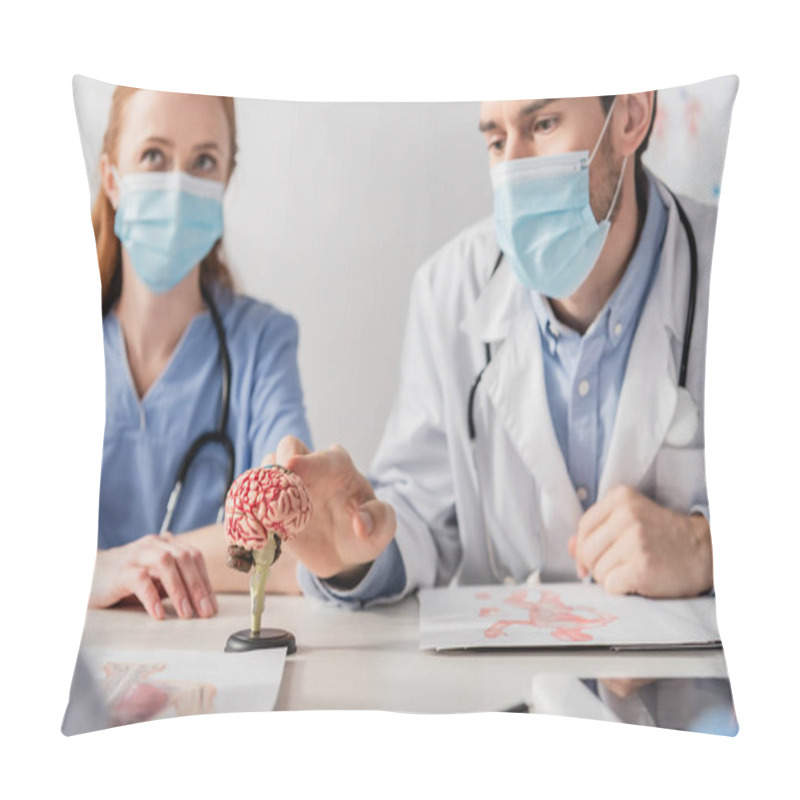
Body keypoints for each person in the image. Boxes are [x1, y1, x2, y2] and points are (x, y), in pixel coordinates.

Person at [272, 92, 734, 727]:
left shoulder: (753, 269)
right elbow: (422, 516)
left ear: (630, 117)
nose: (513, 168)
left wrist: (711, 549)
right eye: (495, 140)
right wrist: (358, 550)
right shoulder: (449, 289)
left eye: (542, 125)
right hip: (513, 713)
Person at [88, 87, 312, 621]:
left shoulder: (262, 342)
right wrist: (94, 569)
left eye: (203, 161)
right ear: (112, 178)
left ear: (224, 182)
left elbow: (289, 552)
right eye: (153, 156)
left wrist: (125, 564)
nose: (177, 185)